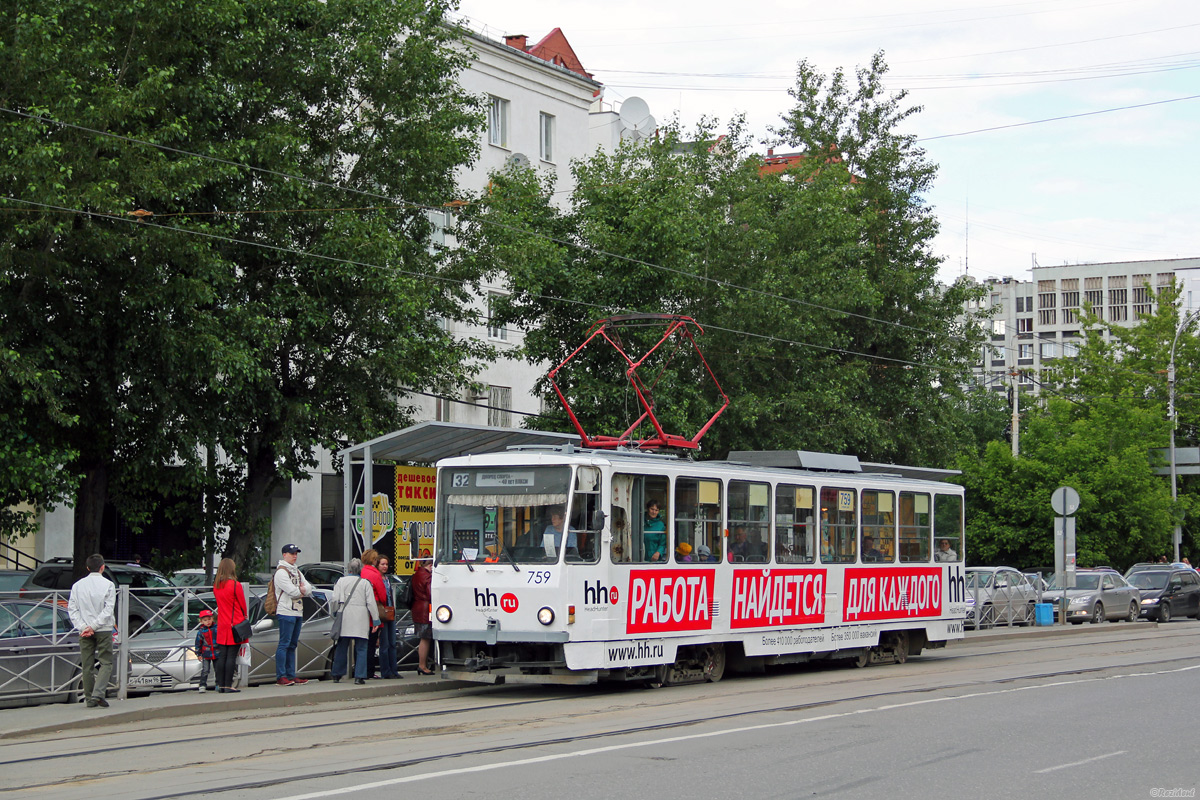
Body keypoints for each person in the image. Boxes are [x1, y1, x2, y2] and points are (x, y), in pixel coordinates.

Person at [67, 553, 116, 709]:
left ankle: (89, 700)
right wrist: (94, 626)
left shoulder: (77, 585)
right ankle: (98, 693)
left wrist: (83, 627)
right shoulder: (108, 585)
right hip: (104, 628)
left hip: (84, 630)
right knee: (106, 662)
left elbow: (72, 609)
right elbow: (108, 610)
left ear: (88, 568)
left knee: (87, 666)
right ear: (102, 567)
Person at [330, 558, 380, 685]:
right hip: (361, 617)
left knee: (342, 646)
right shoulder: (365, 583)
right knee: (362, 647)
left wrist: (335, 612)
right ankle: (359, 676)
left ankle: (337, 674)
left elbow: (335, 599)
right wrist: (376, 620)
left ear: (348, 569)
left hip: (345, 615)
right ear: (360, 569)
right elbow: (371, 603)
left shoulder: (340, 581)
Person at [272, 543, 313, 686]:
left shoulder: (296, 571)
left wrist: (303, 590)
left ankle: (291, 674)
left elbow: (309, 587)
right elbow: (293, 591)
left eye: (296, 553)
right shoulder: (281, 572)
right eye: (292, 553)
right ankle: (281, 676)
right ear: (284, 555)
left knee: (293, 644)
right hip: (285, 611)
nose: (295, 556)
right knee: (284, 643)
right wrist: (302, 590)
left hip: (297, 611)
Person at [361, 549, 399, 680]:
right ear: (375, 562)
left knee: (382, 643)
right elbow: (382, 595)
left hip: (379, 610)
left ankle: (388, 670)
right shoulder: (375, 575)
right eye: (381, 563)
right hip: (380, 611)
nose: (384, 566)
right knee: (383, 643)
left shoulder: (364, 573)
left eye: (386, 564)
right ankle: (386, 671)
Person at [212, 557, 247, 694]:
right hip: (235, 623)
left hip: (222, 623)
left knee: (223, 656)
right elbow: (242, 605)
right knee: (231, 656)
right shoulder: (235, 585)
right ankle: (228, 685)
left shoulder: (216, 585)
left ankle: (221, 685)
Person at [413, 549, 434, 675]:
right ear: (430, 565)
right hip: (426, 610)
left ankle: (423, 665)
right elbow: (431, 594)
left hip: (418, 608)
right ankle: (422, 665)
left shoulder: (417, 574)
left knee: (423, 638)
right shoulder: (427, 577)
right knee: (425, 638)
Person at [193, 609, 218, 692]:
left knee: (218, 669)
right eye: (205, 620)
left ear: (212, 619)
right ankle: (202, 685)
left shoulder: (217, 628)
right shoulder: (201, 631)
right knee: (205, 670)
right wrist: (198, 654)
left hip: (217, 652)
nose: (208, 622)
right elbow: (198, 643)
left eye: (209, 619)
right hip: (206, 653)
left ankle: (218, 684)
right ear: (201, 621)